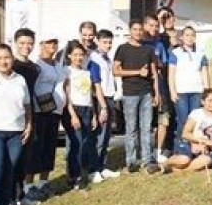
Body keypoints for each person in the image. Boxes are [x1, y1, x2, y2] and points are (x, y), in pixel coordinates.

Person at [0, 44, 32, 205]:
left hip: (16, 133)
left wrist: (29, 125)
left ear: (12, 59)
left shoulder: (19, 79)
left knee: (10, 171)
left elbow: (27, 105)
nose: (3, 61)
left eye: (6, 57)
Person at [114, 20, 162, 174]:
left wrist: (157, 93)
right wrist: (137, 72)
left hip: (146, 93)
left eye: (140, 30)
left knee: (146, 128)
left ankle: (148, 160)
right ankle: (131, 161)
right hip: (129, 94)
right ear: (130, 30)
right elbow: (115, 71)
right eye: (135, 29)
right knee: (131, 128)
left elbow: (154, 73)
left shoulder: (148, 49)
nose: (138, 32)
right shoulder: (122, 49)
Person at [62, 40, 108, 190]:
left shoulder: (87, 72)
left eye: (81, 55)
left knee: (86, 142)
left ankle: (82, 173)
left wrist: (94, 113)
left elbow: (89, 94)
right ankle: (73, 176)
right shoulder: (66, 71)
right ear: (69, 56)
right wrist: (72, 115)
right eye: (75, 55)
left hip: (87, 109)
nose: (78, 58)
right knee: (76, 143)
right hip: (73, 109)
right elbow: (66, 96)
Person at [30, 34, 67, 193]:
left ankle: (43, 183)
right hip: (39, 112)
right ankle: (28, 186)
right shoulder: (37, 65)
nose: (52, 45)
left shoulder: (57, 64)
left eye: (55, 42)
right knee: (36, 149)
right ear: (42, 44)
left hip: (54, 112)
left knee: (49, 148)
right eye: (49, 42)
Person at [10, 29, 41, 205]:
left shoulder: (33, 68)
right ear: (15, 43)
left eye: (29, 43)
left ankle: (20, 196)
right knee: (10, 161)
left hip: (29, 117)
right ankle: (8, 198)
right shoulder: (10, 65)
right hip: (11, 119)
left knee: (24, 160)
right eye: (22, 43)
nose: (26, 47)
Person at [164, 89, 212, 173]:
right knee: (184, 160)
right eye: (210, 101)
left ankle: (181, 171)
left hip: (207, 148)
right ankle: (164, 164)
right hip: (190, 143)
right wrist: (201, 141)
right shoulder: (196, 113)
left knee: (206, 160)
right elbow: (185, 134)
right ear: (203, 102)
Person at [169, 26, 209, 156]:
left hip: (197, 91)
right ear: (181, 37)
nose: (190, 38)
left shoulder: (201, 53)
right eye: (187, 35)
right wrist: (172, 92)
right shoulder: (175, 53)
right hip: (181, 91)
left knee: (195, 121)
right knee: (183, 120)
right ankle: (181, 148)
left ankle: (195, 148)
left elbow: (204, 73)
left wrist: (206, 92)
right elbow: (171, 74)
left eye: (192, 35)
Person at [143, 13, 174, 162]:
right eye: (151, 25)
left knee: (163, 118)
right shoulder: (139, 43)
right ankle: (145, 152)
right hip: (143, 87)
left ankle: (159, 150)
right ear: (144, 26)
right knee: (146, 122)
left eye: (156, 26)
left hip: (160, 85)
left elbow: (163, 64)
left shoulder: (160, 44)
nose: (154, 29)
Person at [89, 29, 119, 181]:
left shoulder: (107, 58)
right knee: (99, 137)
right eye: (104, 42)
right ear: (97, 41)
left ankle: (102, 166)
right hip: (101, 100)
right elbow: (96, 85)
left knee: (107, 136)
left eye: (109, 42)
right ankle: (93, 169)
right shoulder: (94, 58)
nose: (108, 45)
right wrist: (103, 107)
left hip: (110, 97)